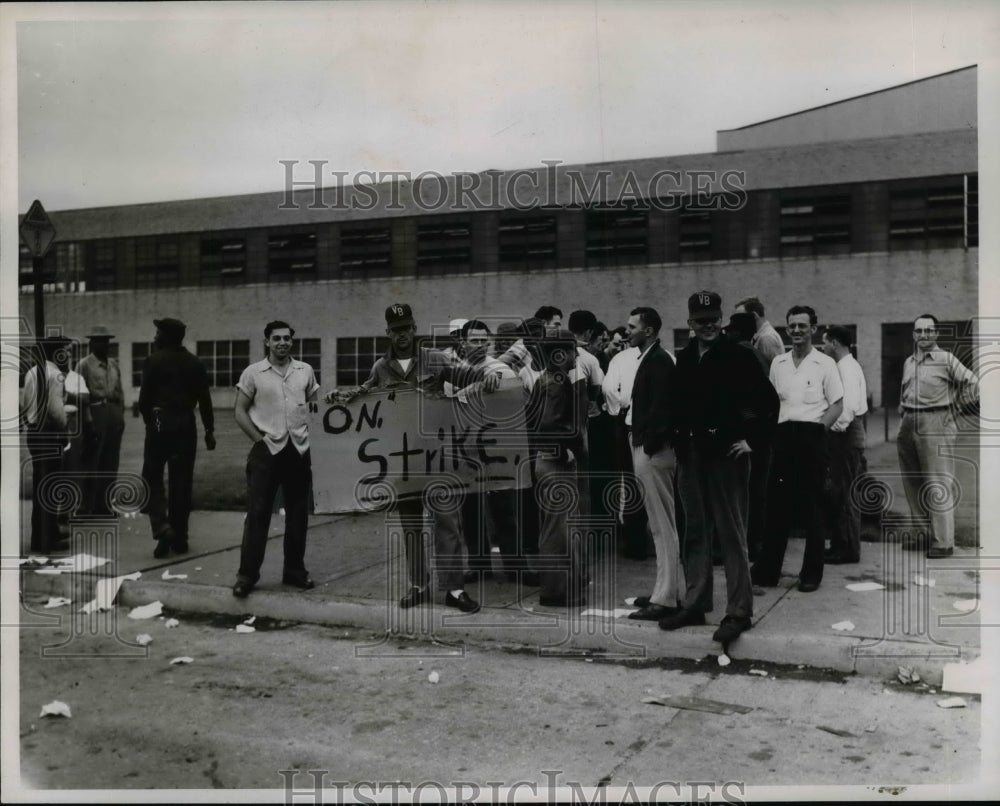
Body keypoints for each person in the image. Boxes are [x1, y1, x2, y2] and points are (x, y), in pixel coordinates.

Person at [336, 303, 484, 610]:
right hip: (402, 460)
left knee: (448, 522)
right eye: (396, 330)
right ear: (388, 332)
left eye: (407, 328)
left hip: (437, 455)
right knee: (411, 526)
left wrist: (490, 380)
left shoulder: (435, 358)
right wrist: (339, 397)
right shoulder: (380, 368)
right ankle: (419, 585)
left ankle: (455, 589)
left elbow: (468, 376)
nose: (402, 335)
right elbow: (364, 395)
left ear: (414, 329)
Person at [659, 292, 779, 646]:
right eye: (701, 320)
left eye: (714, 319)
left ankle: (739, 610)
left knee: (731, 533)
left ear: (721, 319)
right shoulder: (685, 359)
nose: (709, 326)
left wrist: (750, 439)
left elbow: (767, 403)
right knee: (694, 531)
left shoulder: (740, 355)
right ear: (691, 323)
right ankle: (696, 603)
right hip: (692, 456)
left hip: (726, 457)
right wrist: (679, 442)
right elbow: (677, 405)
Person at [751, 306, 843, 593]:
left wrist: (818, 431)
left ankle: (811, 574)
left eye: (803, 326)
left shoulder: (825, 364)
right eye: (792, 326)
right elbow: (771, 403)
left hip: (811, 437)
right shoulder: (779, 363)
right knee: (777, 507)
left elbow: (837, 404)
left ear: (813, 329)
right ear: (787, 329)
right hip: (783, 437)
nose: (798, 331)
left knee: (813, 509)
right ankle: (768, 570)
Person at [232, 320, 318, 597]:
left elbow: (317, 406)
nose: (282, 343)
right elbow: (240, 411)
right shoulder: (253, 373)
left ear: (292, 342)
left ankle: (294, 571)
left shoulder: (305, 371)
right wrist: (260, 440)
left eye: (287, 339)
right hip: (266, 451)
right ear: (267, 342)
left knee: (297, 515)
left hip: (299, 450)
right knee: (257, 515)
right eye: (277, 338)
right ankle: (246, 576)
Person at [896, 314, 979, 559]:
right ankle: (922, 535)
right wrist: (903, 409)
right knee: (913, 482)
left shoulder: (946, 359)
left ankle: (943, 542)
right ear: (913, 334)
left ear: (936, 334)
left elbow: (974, 384)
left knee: (937, 482)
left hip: (936, 422)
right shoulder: (909, 361)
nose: (924, 335)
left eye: (928, 331)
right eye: (919, 331)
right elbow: (905, 390)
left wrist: (957, 408)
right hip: (909, 422)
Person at [623, 307, 684, 621]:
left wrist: (649, 444)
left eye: (632, 326)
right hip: (649, 447)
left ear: (648, 330)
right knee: (662, 525)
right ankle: (671, 590)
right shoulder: (652, 358)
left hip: (653, 451)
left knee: (661, 527)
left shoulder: (658, 361)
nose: (627, 330)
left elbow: (664, 408)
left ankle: (666, 597)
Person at [138, 318, 215, 559]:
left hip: (160, 419)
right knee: (182, 480)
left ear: (166, 336)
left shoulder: (153, 360)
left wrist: (151, 423)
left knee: (152, 475)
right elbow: (205, 400)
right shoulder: (195, 363)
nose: (154, 337)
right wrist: (209, 430)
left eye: (158, 332)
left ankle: (162, 528)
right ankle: (180, 537)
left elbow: (144, 401)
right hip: (186, 422)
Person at [528, 329, 588, 606]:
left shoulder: (547, 380)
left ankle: (562, 589)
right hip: (555, 462)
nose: (576, 354)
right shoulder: (555, 383)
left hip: (548, 460)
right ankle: (556, 592)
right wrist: (569, 448)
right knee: (558, 530)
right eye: (572, 349)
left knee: (557, 527)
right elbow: (548, 424)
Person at [725, 310, 773, 561]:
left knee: (747, 496)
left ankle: (750, 547)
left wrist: (751, 439)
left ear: (737, 332)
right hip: (758, 438)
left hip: (750, 438)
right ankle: (754, 546)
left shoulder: (743, 356)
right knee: (755, 495)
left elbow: (760, 403)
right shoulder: (758, 356)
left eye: (730, 329)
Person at [601, 334, 652, 560]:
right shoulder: (664, 357)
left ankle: (635, 542)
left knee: (630, 481)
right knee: (653, 482)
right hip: (652, 422)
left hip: (626, 421)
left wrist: (620, 408)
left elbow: (609, 389)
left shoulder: (620, 358)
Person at [821, 326, 869, 564]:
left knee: (847, 494)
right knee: (839, 493)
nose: (823, 347)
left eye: (825, 342)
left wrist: (829, 429)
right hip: (844, 437)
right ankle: (841, 544)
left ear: (836, 343)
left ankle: (849, 549)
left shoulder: (847, 369)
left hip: (846, 437)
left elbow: (846, 409)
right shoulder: (844, 366)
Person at [22, 336, 72, 554]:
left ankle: (45, 534)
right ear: (56, 354)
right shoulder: (55, 376)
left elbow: (26, 405)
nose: (68, 356)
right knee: (50, 486)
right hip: (49, 434)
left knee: (42, 484)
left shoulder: (32, 372)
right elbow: (56, 412)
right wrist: (64, 429)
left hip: (34, 432)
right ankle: (45, 539)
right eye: (65, 351)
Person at [75, 324, 126, 516]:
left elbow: (120, 392)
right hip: (94, 412)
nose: (104, 345)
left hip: (113, 413)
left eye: (106, 341)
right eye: (98, 341)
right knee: (91, 462)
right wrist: (87, 421)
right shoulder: (84, 365)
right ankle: (84, 507)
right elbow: (79, 395)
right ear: (91, 343)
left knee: (111, 462)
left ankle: (104, 506)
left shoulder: (113, 365)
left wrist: (120, 415)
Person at [735, 297, 786, 365]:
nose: (737, 323)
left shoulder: (766, 338)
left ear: (754, 315)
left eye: (740, 318)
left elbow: (776, 369)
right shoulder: (761, 335)